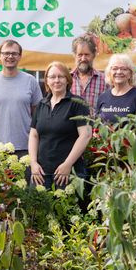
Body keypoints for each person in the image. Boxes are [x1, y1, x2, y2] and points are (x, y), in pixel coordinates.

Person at [29, 61, 92, 191]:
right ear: (47, 81)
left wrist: (67, 165)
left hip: (67, 173)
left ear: (67, 80)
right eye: (52, 77)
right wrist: (33, 163)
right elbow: (34, 135)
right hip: (41, 173)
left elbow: (85, 135)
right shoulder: (42, 104)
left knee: (68, 210)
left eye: (61, 76)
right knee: (38, 210)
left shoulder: (77, 103)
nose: (56, 80)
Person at [0, 40, 43, 160]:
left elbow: (37, 115)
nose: (10, 56)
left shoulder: (30, 81)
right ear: (0, 56)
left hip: (25, 146)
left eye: (14, 53)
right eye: (6, 53)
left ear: (20, 56)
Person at [96, 54, 136, 134]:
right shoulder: (103, 97)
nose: (119, 72)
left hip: (130, 145)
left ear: (130, 74)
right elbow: (97, 127)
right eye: (115, 69)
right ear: (109, 73)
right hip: (105, 146)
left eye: (124, 69)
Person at [70, 35, 107, 116]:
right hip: (70, 128)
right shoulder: (66, 80)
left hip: (96, 127)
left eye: (87, 54)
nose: (83, 59)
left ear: (94, 55)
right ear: (74, 55)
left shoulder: (104, 80)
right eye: (80, 55)